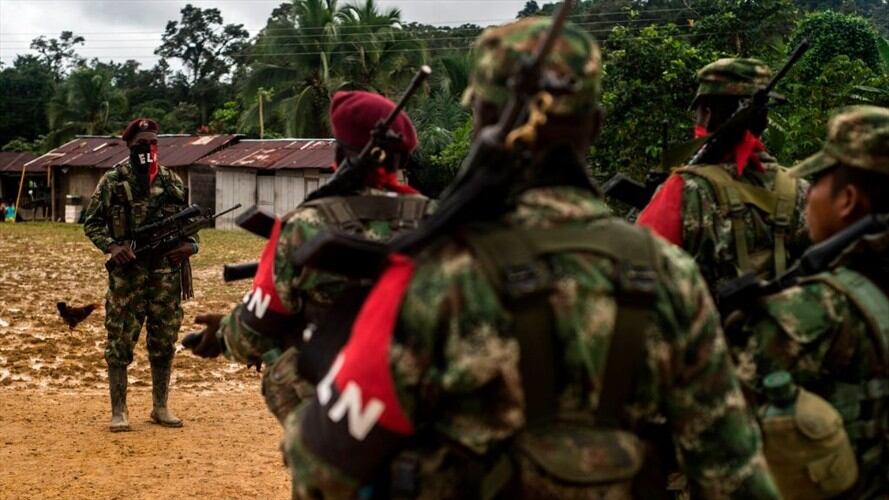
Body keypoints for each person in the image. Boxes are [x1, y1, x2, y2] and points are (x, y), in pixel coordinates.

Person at [277, 18, 778, 499]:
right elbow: (733, 475)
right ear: (595, 125)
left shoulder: (436, 272)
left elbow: (324, 468)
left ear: (481, 123)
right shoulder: (673, 278)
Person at [185, 91, 431, 424]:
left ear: (338, 153)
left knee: (282, 361)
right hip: (424, 391)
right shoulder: (436, 219)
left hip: (343, 401)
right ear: (401, 159)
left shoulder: (306, 224)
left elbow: (254, 333)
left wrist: (224, 334)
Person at [729, 105, 889, 497]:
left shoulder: (807, 312)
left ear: (848, 199)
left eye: (817, 180)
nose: (808, 193)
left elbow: (723, 438)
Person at [637, 58, 809, 294]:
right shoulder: (802, 190)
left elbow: (639, 278)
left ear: (706, 114)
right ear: (764, 121)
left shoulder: (683, 190)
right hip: (785, 327)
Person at [83, 118, 197, 432]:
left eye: (152, 144)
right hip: (127, 279)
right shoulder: (112, 182)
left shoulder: (172, 181)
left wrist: (190, 247)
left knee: (164, 342)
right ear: (129, 147)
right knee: (119, 343)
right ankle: (119, 412)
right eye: (140, 145)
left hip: (166, 278)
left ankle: (160, 407)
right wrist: (112, 246)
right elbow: (91, 223)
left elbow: (189, 227)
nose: (147, 150)